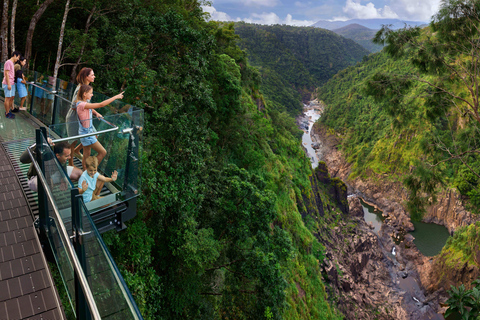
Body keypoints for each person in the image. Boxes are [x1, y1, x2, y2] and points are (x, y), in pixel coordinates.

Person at [75, 84, 124, 169]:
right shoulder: (82, 104)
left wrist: (96, 113)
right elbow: (101, 104)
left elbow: (89, 108)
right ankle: (91, 171)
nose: (92, 94)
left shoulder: (82, 103)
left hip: (85, 133)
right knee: (103, 152)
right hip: (87, 134)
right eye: (91, 93)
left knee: (87, 155)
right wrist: (116, 97)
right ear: (84, 94)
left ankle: (85, 173)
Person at [66, 68, 97, 166]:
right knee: (73, 141)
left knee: (94, 134)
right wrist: (84, 110)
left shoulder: (86, 87)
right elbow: (74, 105)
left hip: (81, 118)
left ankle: (77, 150)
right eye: (92, 75)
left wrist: (95, 112)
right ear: (86, 76)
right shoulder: (81, 88)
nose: (94, 76)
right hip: (74, 117)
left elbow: (87, 104)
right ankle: (71, 164)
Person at [2, 51, 21, 119]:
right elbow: (6, 74)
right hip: (8, 83)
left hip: (12, 83)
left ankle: (8, 111)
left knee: (12, 97)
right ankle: (7, 113)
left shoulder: (12, 63)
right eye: (18, 57)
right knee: (7, 99)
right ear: (14, 55)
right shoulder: (8, 62)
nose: (18, 59)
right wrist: (9, 84)